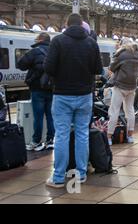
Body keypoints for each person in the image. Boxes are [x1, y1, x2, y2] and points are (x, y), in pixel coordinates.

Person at [44, 13, 103, 188]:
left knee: (61, 135)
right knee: (82, 134)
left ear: (66, 24)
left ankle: (58, 178)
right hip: (84, 95)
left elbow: (48, 67)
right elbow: (98, 69)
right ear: (82, 25)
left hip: (62, 95)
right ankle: (81, 174)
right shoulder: (91, 43)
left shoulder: (58, 41)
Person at [17, 32, 55, 151]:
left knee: (38, 116)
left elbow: (21, 64)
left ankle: (36, 142)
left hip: (37, 88)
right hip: (52, 88)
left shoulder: (35, 51)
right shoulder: (54, 51)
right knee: (50, 116)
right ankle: (50, 141)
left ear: (40, 40)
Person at [107, 38, 138, 144]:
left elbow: (111, 68)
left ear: (122, 45)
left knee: (114, 110)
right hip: (132, 86)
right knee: (130, 110)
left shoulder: (121, 54)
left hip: (120, 86)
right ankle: (130, 136)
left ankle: (109, 137)